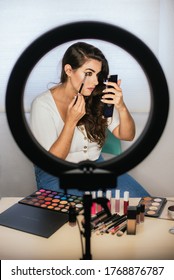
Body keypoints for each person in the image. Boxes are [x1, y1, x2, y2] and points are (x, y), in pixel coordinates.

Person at [30, 41, 150, 197]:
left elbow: (127, 135)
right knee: (88, 214)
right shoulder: (42, 105)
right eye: (88, 73)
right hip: (56, 173)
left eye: (98, 75)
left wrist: (121, 106)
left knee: (144, 202)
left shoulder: (98, 96)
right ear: (69, 70)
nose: (95, 81)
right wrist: (71, 122)